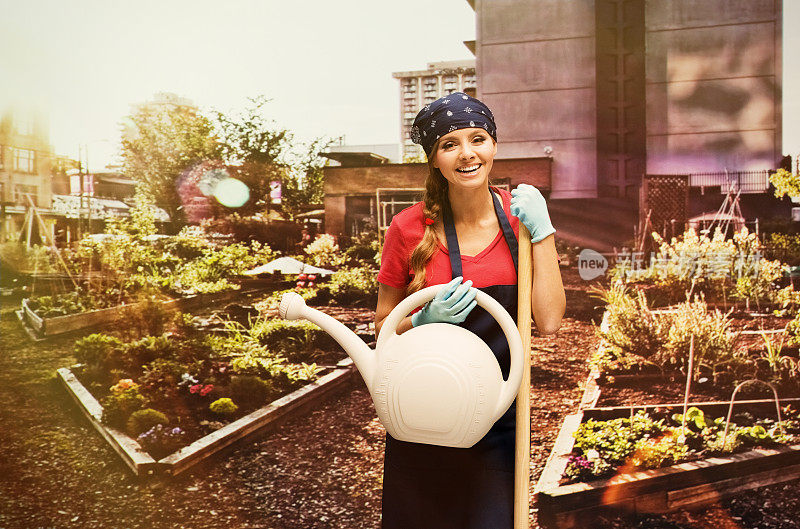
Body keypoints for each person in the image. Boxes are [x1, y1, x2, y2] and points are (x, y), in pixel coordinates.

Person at [375, 92, 566, 528]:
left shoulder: (521, 222)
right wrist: (422, 320)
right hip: (420, 415)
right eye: (449, 144)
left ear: (494, 146)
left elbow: (550, 321)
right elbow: (383, 325)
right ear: (434, 160)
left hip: (497, 416)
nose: (467, 154)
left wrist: (544, 232)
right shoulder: (408, 227)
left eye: (477, 138)